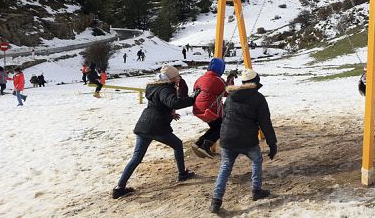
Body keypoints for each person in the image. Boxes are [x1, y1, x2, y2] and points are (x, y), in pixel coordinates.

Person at [112, 65, 196, 199]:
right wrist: (192, 99)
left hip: (144, 124)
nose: (179, 78)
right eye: (177, 76)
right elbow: (173, 102)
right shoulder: (165, 89)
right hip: (156, 127)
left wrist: (170, 114)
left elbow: (160, 105)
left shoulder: (156, 87)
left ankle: (119, 188)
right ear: (172, 78)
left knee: (136, 158)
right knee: (178, 145)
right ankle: (182, 174)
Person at [209, 69, 277, 213]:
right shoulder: (258, 98)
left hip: (227, 138)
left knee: (225, 167)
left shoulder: (231, 96)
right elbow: (265, 123)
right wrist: (272, 144)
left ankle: (216, 200)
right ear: (256, 82)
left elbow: (225, 115)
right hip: (247, 139)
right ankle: (256, 191)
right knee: (257, 160)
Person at [192, 58, 228, 159]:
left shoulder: (200, 78)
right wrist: (230, 80)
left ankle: (198, 143)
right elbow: (227, 92)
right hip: (209, 110)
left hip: (198, 109)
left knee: (215, 127)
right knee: (222, 127)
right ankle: (205, 146)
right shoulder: (218, 80)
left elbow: (195, 90)